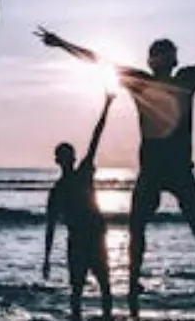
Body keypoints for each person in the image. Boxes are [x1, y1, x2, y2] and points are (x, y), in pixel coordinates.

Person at [36, 9, 195, 319]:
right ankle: (133, 284)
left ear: (172, 60)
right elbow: (98, 60)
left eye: (166, 54)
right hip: (153, 170)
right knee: (138, 228)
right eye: (159, 55)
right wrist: (62, 43)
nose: (163, 59)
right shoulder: (142, 82)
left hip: (178, 169)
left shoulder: (185, 79)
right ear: (153, 61)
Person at [44, 92, 116, 321]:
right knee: (85, 290)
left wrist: (106, 106)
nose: (65, 159)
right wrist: (46, 258)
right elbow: (50, 225)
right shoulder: (61, 188)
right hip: (82, 238)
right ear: (62, 160)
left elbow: (96, 137)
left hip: (91, 237)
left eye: (65, 156)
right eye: (63, 156)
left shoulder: (78, 177)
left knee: (98, 287)